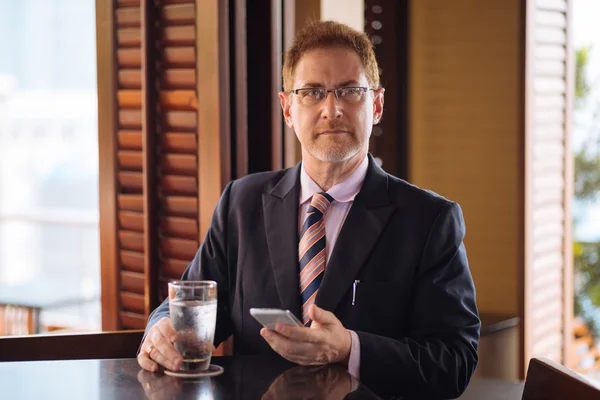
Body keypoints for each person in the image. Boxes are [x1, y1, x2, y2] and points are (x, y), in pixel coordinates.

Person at [138, 20, 480, 398]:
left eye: (350, 91)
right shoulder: (242, 202)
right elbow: (188, 304)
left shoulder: (430, 220)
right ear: (287, 109)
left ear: (377, 104)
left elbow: (454, 362)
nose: (331, 109)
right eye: (313, 93)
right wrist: (161, 330)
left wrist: (350, 348)